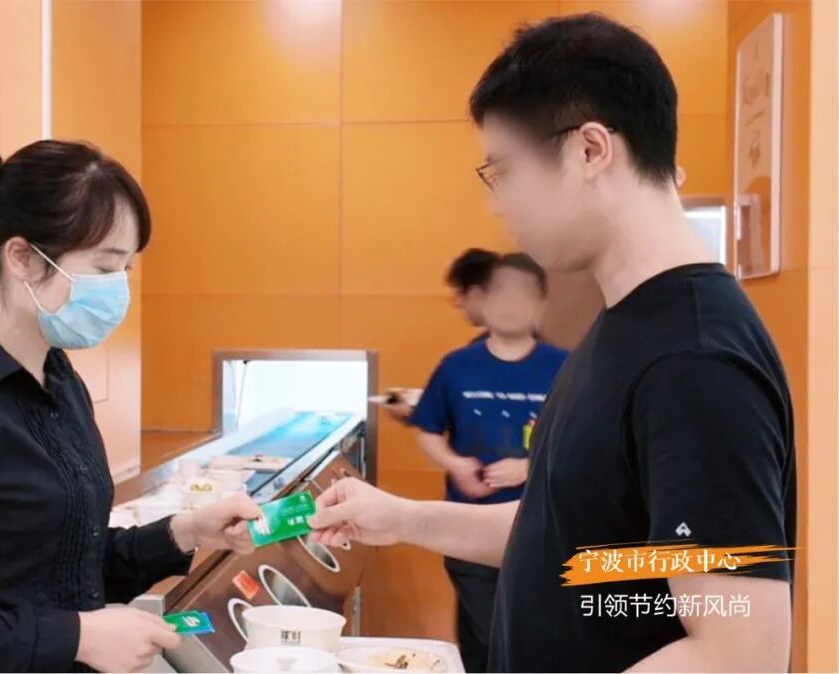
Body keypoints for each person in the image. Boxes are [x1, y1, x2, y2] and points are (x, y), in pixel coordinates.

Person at [310, 13, 795, 673]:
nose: (497, 203)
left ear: (590, 150)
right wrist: (404, 519)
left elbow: (739, 652)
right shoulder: (624, 323)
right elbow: (569, 532)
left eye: (505, 170)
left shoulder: (693, 358)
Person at [0, 136, 262, 673]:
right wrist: (76, 638)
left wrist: (184, 533)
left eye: (126, 269)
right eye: (103, 267)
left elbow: (66, 567)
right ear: (22, 257)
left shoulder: (60, 380)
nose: (118, 290)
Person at [409, 252, 567, 672]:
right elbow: (426, 428)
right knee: (486, 632)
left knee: (531, 634)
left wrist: (530, 467)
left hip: (542, 530)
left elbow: (585, 442)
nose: (511, 303)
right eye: (501, 292)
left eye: (523, 294)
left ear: (540, 304)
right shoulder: (457, 365)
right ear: (484, 300)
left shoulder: (566, 367)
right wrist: (455, 464)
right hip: (467, 527)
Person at [380, 248, 499, 423]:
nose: (458, 304)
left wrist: (415, 414)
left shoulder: (486, 350)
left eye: (458, 293)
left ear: (475, 294)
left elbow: (478, 414)